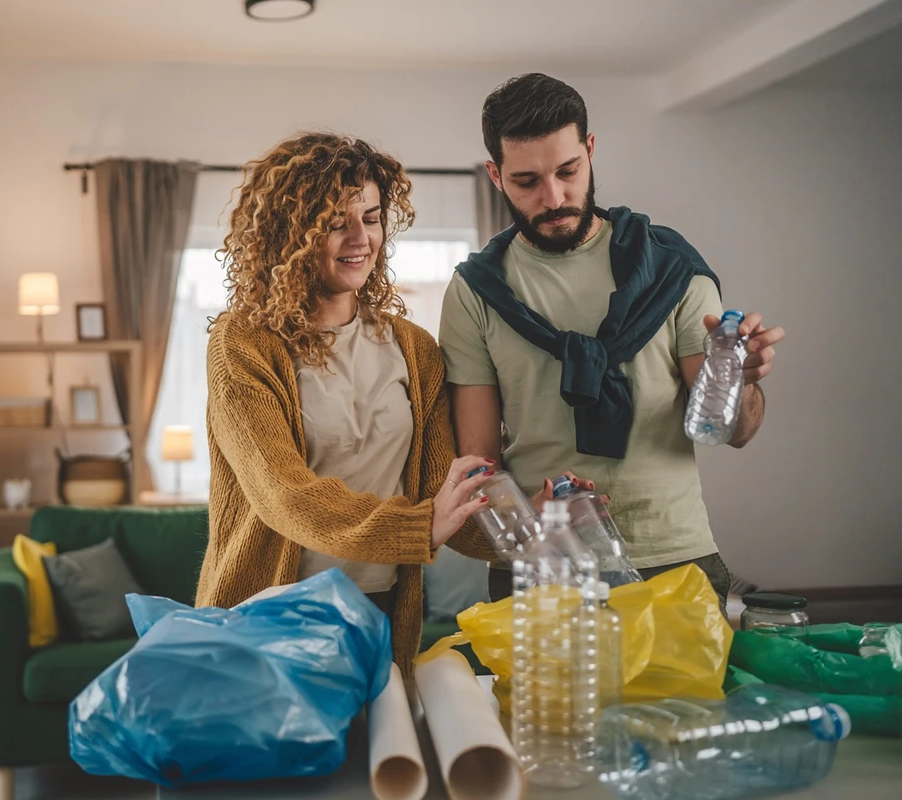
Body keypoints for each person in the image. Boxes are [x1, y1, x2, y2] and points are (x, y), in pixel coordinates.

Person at [440, 74, 785, 611]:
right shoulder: (476, 290)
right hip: (542, 561)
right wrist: (529, 516)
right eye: (527, 180)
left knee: (686, 702)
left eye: (568, 171)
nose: (553, 197)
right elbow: (478, 463)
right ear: (496, 176)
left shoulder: (670, 269)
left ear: (591, 150)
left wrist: (739, 380)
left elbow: (733, 431)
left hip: (673, 557)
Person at [197, 132, 520, 675]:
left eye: (370, 218)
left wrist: (541, 517)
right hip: (267, 616)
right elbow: (285, 496)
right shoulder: (243, 343)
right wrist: (420, 528)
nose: (359, 238)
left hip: (380, 615)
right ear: (288, 233)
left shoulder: (414, 350)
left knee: (386, 759)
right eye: (334, 221)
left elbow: (443, 501)